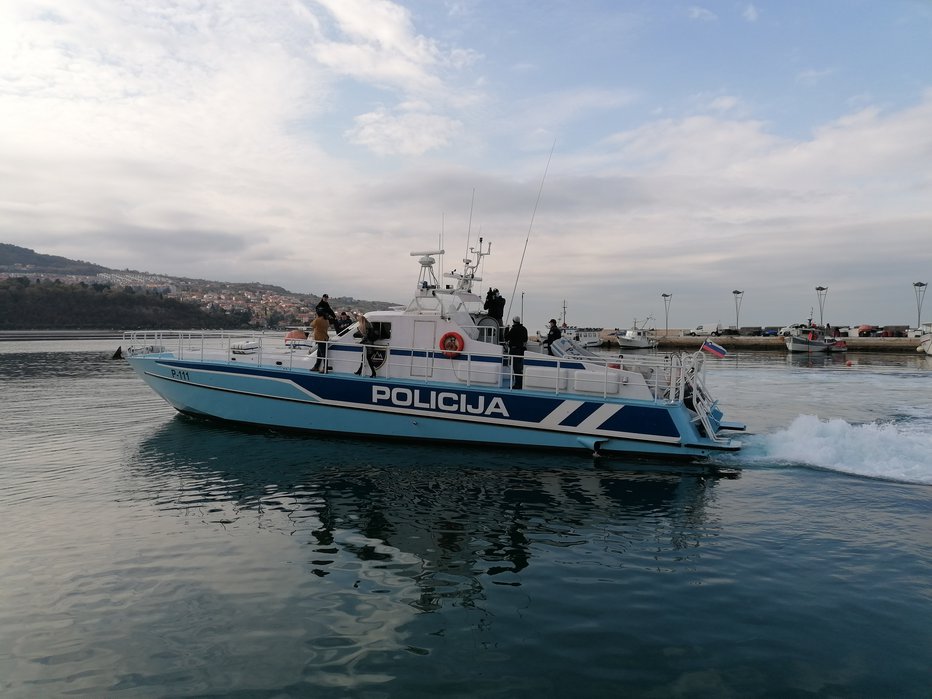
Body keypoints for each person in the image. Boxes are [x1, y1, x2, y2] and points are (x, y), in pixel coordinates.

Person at [504, 315, 528, 389]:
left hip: (514, 351)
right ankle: (520, 383)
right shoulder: (524, 329)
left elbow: (506, 337)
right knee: (520, 368)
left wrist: (507, 329)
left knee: (516, 368)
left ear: (513, 321)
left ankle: (518, 385)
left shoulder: (514, 329)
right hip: (521, 351)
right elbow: (525, 339)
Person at [353, 312, 378, 377]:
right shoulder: (369, 324)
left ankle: (373, 372)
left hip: (368, 345)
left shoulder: (365, 325)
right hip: (369, 344)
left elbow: (366, 336)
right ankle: (359, 371)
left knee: (368, 359)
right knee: (364, 357)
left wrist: (361, 341)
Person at [310, 308, 332, 373]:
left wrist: (316, 318)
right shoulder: (326, 320)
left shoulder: (318, 320)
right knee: (319, 353)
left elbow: (311, 325)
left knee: (323, 354)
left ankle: (325, 369)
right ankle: (316, 366)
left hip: (320, 339)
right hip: (325, 338)